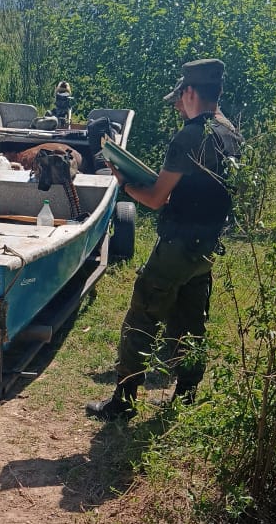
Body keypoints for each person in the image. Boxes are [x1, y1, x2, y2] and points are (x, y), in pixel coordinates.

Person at [87, 59, 243, 420]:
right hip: (206, 247)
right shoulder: (230, 132)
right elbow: (207, 192)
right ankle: (186, 397)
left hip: (176, 247)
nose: (176, 106)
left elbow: (156, 199)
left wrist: (124, 182)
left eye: (178, 98)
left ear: (190, 92)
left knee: (142, 316)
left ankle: (123, 403)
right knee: (192, 322)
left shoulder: (190, 135)